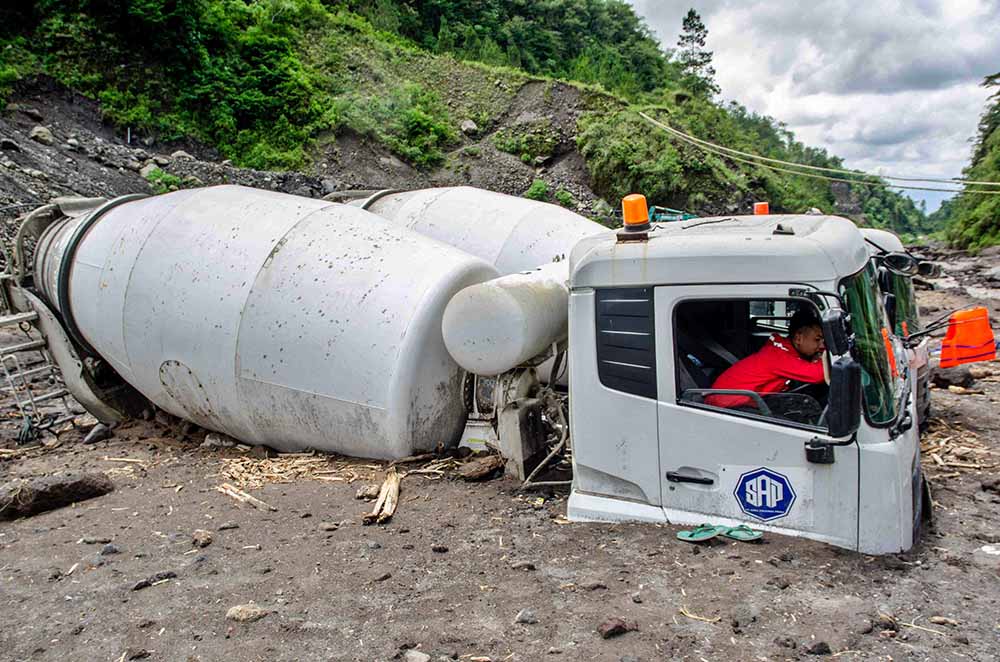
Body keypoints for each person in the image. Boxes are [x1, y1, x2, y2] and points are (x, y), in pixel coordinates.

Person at [706, 309, 826, 410]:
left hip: (736, 400)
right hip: (728, 405)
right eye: (817, 340)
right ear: (798, 338)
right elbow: (817, 375)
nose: (822, 346)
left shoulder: (782, 350)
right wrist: (824, 357)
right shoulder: (778, 356)